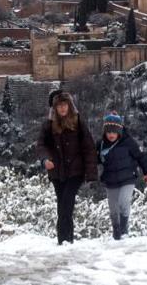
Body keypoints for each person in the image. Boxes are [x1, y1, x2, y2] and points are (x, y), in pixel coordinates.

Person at [37, 90, 98, 245]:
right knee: (61, 204)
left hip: (75, 170)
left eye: (65, 105)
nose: (63, 108)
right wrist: (45, 159)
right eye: (60, 106)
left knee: (67, 202)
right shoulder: (49, 125)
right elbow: (41, 145)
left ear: (70, 106)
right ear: (55, 108)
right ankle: (63, 240)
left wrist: (91, 173)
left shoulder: (78, 122)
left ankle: (66, 240)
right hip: (57, 171)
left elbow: (88, 147)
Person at [96, 112, 147, 240]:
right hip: (110, 180)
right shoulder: (101, 144)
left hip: (128, 178)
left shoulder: (128, 142)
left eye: (114, 132)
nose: (111, 134)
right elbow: (95, 159)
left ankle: (124, 228)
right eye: (108, 132)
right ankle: (116, 232)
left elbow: (140, 156)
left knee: (124, 202)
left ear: (119, 132)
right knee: (113, 209)